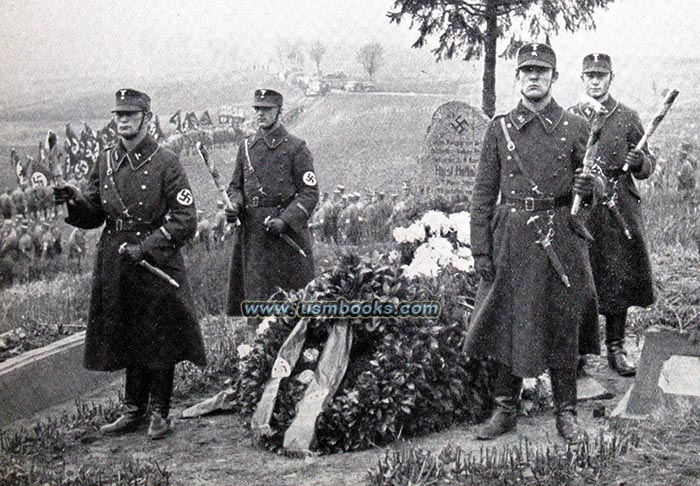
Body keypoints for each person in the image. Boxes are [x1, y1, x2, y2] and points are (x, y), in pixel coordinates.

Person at [464, 43, 606, 443]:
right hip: (511, 237)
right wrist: (480, 249)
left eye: (541, 71)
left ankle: (567, 413)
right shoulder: (500, 128)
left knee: (563, 322)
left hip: (560, 237)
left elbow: (593, 189)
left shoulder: (577, 128)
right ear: (518, 77)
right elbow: (481, 194)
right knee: (506, 322)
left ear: (554, 78)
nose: (533, 77)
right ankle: (504, 410)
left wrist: (589, 186)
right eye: (526, 70)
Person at [54, 89, 206, 440]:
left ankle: (160, 412)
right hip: (116, 258)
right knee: (128, 330)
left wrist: (146, 247)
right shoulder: (105, 160)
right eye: (119, 115)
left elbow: (186, 218)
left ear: (147, 118)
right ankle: (133, 409)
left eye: (130, 115)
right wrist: (76, 201)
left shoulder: (166, 161)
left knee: (159, 333)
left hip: (156, 260)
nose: (123, 120)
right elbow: (94, 215)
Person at [569, 53, 656, 377]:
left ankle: (616, 348)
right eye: (590, 75)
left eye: (601, 75)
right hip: (587, 206)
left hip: (619, 207)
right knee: (583, 276)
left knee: (618, 276)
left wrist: (638, 162)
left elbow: (648, 164)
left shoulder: (628, 117)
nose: (595, 80)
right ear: (582, 78)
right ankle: (579, 350)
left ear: (610, 78)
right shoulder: (571, 116)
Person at [225, 89, 318, 317]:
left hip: (285, 236)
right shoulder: (246, 147)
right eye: (257, 109)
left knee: (291, 304)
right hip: (253, 234)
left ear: (279, 112)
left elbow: (309, 192)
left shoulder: (296, 148)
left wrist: (285, 220)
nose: (260, 114)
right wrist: (234, 205)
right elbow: (235, 186)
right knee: (256, 298)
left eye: (267, 109)